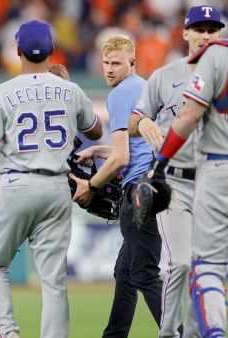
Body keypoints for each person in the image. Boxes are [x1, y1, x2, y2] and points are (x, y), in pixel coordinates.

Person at [0, 20, 102, 338]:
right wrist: (68, 89)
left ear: (17, 50)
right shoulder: (70, 89)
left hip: (17, 183)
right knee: (54, 280)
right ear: (51, 50)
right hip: (57, 187)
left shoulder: (2, 91)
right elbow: (95, 130)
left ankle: (8, 333)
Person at [128, 7, 224, 338]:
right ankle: (169, 333)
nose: (207, 35)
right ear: (185, 34)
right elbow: (133, 121)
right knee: (181, 263)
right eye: (200, 28)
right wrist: (144, 121)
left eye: (214, 28)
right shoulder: (164, 75)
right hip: (174, 183)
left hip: (214, 182)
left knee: (207, 269)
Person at [70, 35, 164, 336]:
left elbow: (122, 159)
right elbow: (138, 152)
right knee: (125, 274)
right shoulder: (146, 88)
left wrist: (92, 186)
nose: (109, 69)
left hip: (138, 192)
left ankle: (183, 333)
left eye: (116, 63)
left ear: (132, 63)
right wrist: (99, 151)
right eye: (106, 63)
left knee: (145, 275)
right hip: (157, 184)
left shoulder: (122, 93)